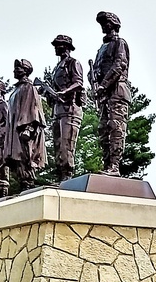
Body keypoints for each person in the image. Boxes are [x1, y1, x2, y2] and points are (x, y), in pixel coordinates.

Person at [91, 11, 131, 176]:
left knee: (116, 128)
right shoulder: (101, 49)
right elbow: (97, 70)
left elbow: (119, 65)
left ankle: (114, 166)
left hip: (117, 91)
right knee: (103, 130)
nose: (104, 26)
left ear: (114, 25)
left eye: (107, 23)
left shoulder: (119, 43)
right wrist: (93, 79)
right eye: (102, 24)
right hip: (104, 95)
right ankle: (107, 164)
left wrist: (103, 85)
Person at [47, 34, 86, 183]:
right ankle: (60, 176)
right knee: (57, 145)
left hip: (70, 109)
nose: (56, 48)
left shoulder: (73, 63)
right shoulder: (57, 68)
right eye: (56, 45)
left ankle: (67, 175)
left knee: (66, 144)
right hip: (58, 110)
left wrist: (64, 92)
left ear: (67, 47)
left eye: (60, 45)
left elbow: (78, 83)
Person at [5, 59, 47, 190]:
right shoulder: (15, 91)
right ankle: (24, 185)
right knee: (18, 162)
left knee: (25, 159)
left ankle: (28, 185)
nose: (15, 70)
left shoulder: (29, 87)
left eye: (19, 68)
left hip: (25, 131)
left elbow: (34, 109)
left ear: (26, 71)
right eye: (15, 68)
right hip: (14, 133)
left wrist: (29, 128)